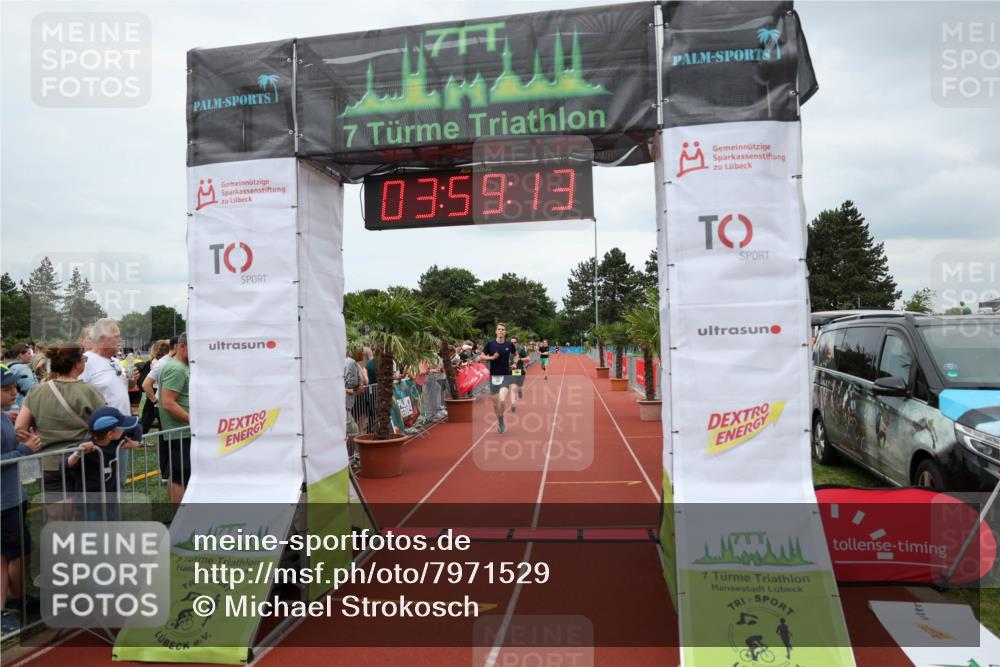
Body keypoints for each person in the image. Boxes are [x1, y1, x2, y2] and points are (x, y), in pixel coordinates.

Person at [1, 368, 42, 633]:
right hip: (4, 502)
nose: (14, 392)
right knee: (9, 557)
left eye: (15, 387)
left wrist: (9, 422)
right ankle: (6, 607)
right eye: (7, 389)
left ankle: (15, 598)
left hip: (12, 497)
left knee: (15, 554)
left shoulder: (3, 416)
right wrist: (23, 450)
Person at [80, 319, 141, 486]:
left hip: (120, 431)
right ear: (101, 339)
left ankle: (115, 512)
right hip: (101, 433)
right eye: (116, 336)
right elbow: (79, 394)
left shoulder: (114, 361)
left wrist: (132, 382)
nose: (120, 341)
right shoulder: (86, 361)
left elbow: (122, 388)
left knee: (118, 481)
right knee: (100, 483)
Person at [64, 406, 141, 520]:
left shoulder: (115, 440)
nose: (124, 430)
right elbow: (66, 465)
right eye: (121, 427)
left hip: (110, 500)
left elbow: (137, 427)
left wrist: (136, 442)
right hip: (90, 505)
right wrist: (78, 453)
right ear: (111, 433)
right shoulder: (86, 446)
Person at [157, 333, 190, 504]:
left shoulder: (180, 366)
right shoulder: (176, 368)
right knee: (181, 475)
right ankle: (179, 518)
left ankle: (179, 516)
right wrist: (192, 420)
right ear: (182, 346)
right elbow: (168, 403)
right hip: (180, 431)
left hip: (181, 431)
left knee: (178, 474)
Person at [481, 323, 518, 434]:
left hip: (505, 376)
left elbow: (516, 355)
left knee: (501, 399)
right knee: (495, 402)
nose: (501, 331)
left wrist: (515, 363)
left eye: (503, 329)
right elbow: (482, 356)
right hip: (494, 376)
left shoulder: (509, 344)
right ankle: (500, 419)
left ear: (505, 332)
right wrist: (491, 357)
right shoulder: (490, 344)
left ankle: (501, 421)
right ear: (496, 331)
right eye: (499, 329)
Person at [139, 340, 171, 432]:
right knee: (148, 416)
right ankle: (140, 436)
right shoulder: (157, 362)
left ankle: (141, 436)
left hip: (154, 390)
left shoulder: (155, 361)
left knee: (148, 416)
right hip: (154, 390)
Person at [344, 350, 362, 467]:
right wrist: (349, 389)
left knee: (352, 430)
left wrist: (358, 386)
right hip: (342, 405)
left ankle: (353, 458)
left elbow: (360, 381)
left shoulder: (351, 362)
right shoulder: (350, 362)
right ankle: (353, 459)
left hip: (347, 404)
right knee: (352, 430)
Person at [509, 335, 528, 412]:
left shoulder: (521, 349)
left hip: (519, 370)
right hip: (511, 371)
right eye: (511, 342)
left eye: (514, 342)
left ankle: (520, 391)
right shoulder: (508, 350)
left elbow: (528, 358)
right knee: (513, 388)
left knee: (519, 387)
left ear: (517, 342)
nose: (513, 344)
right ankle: (513, 404)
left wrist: (520, 359)